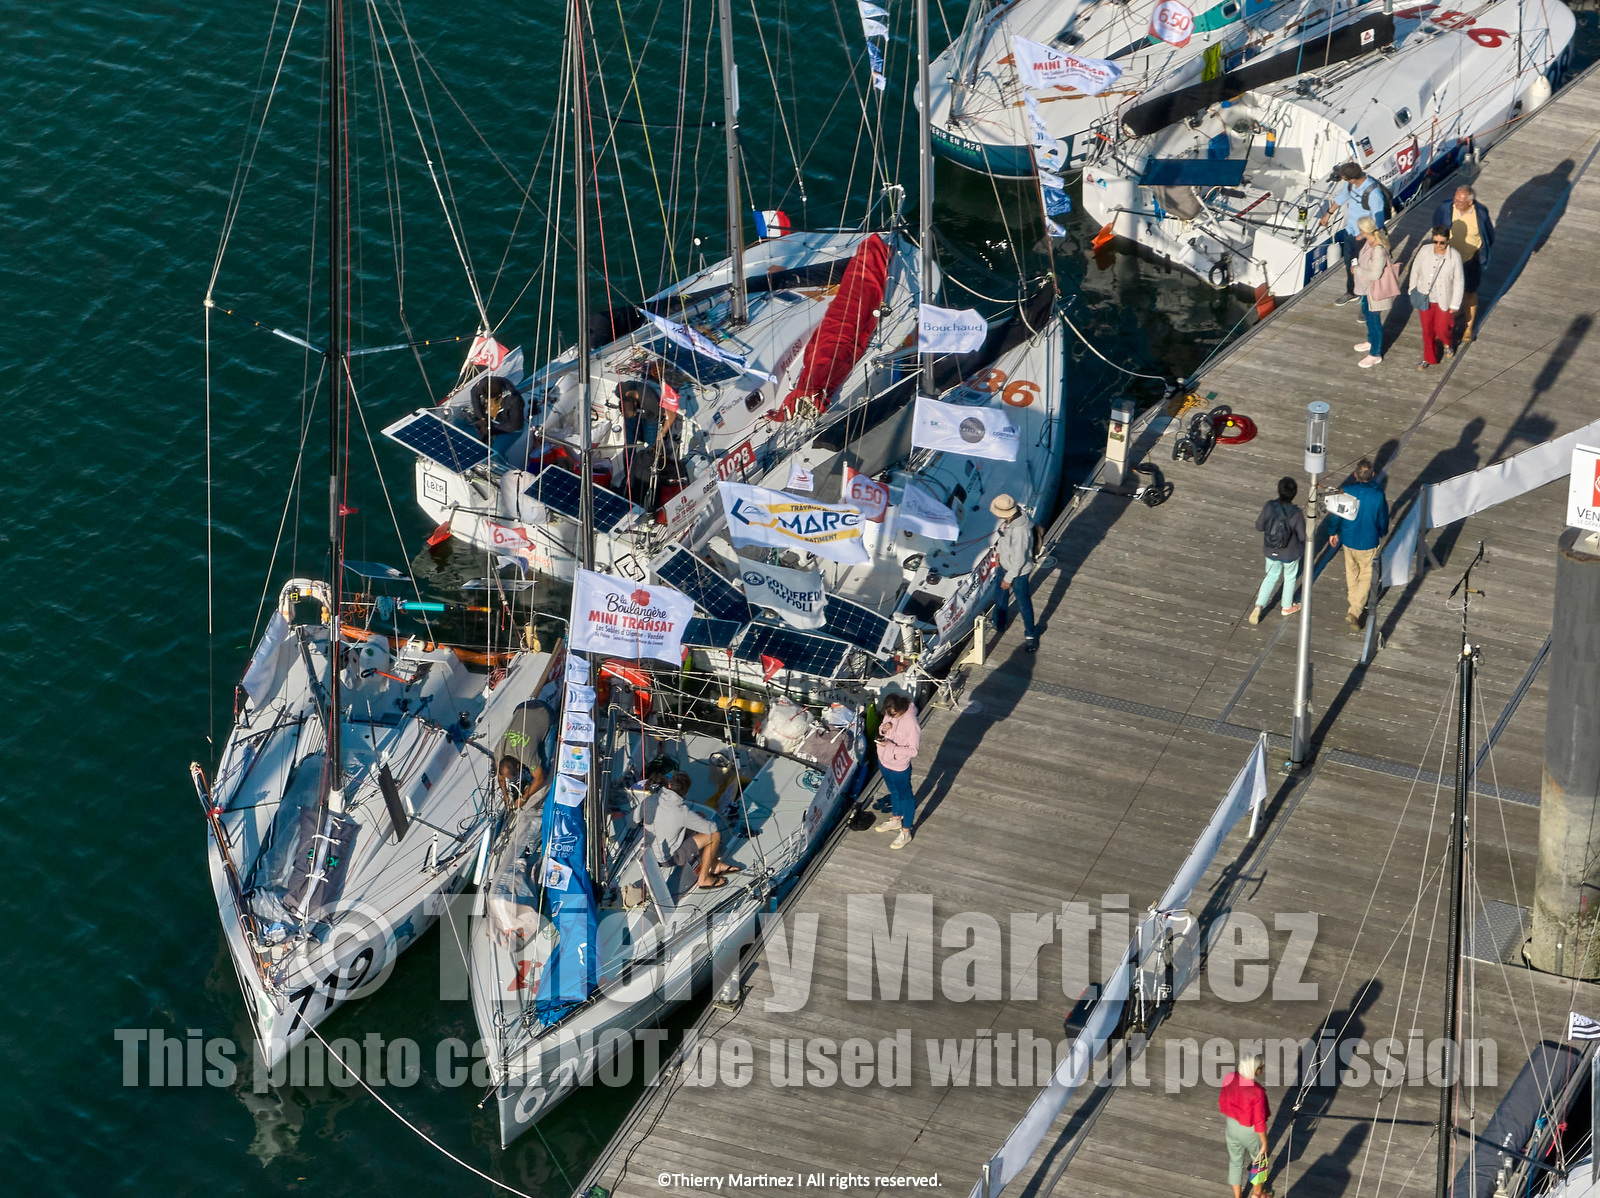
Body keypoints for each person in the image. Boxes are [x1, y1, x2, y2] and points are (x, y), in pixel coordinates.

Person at [650, 764, 737, 888]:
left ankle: (715, 865)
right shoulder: (683, 812)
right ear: (685, 792)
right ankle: (704, 879)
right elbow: (711, 828)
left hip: (651, 853)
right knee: (714, 836)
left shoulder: (654, 800)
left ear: (669, 786)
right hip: (669, 857)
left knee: (694, 819)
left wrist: (694, 819)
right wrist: (699, 820)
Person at [1328, 459, 1390, 631]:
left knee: (1351, 573)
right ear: (1373, 475)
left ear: (1355, 474)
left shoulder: (1346, 491)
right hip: (1369, 541)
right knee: (1366, 576)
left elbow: (1336, 515)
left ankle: (1353, 605)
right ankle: (1355, 611)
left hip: (1348, 539)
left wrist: (1333, 532)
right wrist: (1383, 531)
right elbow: (1383, 518)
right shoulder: (1378, 496)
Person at [1432, 184, 1495, 344]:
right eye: (1455, 199)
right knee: (1445, 291)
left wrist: (1480, 253)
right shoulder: (1446, 208)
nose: (1456, 203)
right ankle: (1445, 326)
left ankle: (1468, 327)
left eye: (1460, 202)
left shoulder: (1480, 213)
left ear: (1470, 203)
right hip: (1449, 259)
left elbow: (1489, 236)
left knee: (1469, 293)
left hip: (1470, 260)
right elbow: (1436, 226)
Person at [1320, 163, 1387, 304]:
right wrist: (1328, 215)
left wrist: (1363, 236)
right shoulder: (1351, 185)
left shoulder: (1374, 193)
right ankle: (1352, 292)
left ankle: (1366, 300)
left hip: (1364, 237)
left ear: (1352, 178)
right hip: (1350, 231)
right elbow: (1340, 198)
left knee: (1364, 267)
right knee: (1349, 264)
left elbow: (1378, 222)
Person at [1249, 477, 1306, 626]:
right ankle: (1286, 607)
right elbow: (1302, 536)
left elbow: (1259, 526)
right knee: (1289, 577)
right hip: (1289, 553)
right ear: (1294, 493)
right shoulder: (1297, 513)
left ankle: (1258, 606)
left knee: (1270, 577)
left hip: (1271, 549)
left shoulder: (1269, 506)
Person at [989, 494, 1038, 652]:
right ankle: (999, 623)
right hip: (1004, 565)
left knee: (1023, 604)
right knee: (1000, 596)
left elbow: (1019, 560)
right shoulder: (1014, 519)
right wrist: (999, 554)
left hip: (1017, 572)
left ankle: (1030, 636)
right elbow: (1006, 542)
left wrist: (1008, 578)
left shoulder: (1020, 531)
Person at [1411, 225, 1465, 369]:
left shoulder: (1455, 256)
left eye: (1442, 242)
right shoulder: (1424, 251)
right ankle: (1429, 357)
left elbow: (1459, 282)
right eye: (1435, 242)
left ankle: (1447, 343)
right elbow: (1415, 269)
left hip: (1444, 299)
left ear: (1448, 240)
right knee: (1427, 330)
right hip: (1425, 298)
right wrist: (1412, 289)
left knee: (1442, 329)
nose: (1438, 245)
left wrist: (1455, 304)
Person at [1219, 1053, 1272, 1198]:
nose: (1263, 1069)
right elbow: (1259, 1121)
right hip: (1249, 1130)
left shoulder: (1229, 1077)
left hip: (1231, 1125)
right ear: (1255, 1070)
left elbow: (1223, 1099)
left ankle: (1238, 1196)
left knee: (1235, 1161)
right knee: (1259, 1161)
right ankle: (1257, 1193)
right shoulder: (1257, 1092)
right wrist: (1264, 1142)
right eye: (1261, 1067)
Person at [874, 693, 921, 850]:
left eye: (891, 714)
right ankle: (895, 819)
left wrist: (891, 747)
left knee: (906, 798)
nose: (888, 716)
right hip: (884, 761)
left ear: (898, 709)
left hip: (899, 767)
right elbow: (883, 730)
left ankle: (906, 831)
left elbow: (913, 751)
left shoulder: (911, 723)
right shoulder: (890, 714)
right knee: (893, 791)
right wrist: (883, 729)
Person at [1350, 216, 1395, 369]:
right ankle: (1370, 341)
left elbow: (1375, 274)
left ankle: (1375, 354)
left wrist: (1357, 270)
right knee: (1368, 316)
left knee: (1374, 321)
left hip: (1374, 291)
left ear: (1364, 230)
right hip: (1365, 289)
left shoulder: (1378, 249)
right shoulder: (1369, 243)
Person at [469, 373, 526, 456]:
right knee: (460, 423)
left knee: (496, 451)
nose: (487, 402)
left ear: (499, 395)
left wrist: (489, 430)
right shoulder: (484, 385)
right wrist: (481, 418)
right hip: (489, 421)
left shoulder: (515, 399)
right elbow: (474, 393)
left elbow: (515, 425)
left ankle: (497, 466)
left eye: (491, 400)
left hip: (509, 429)